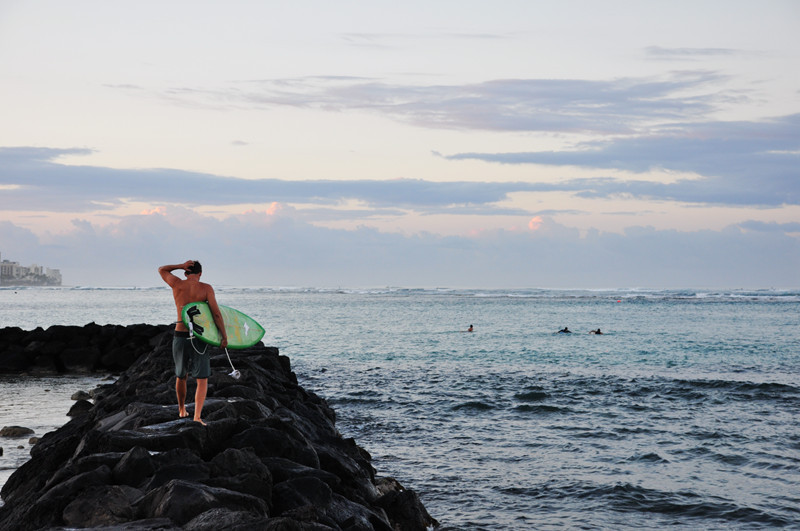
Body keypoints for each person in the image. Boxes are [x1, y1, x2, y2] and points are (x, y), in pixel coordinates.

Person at [158, 260, 227, 425]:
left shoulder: (177, 284)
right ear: (201, 274)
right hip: (199, 337)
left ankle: (181, 409)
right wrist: (223, 336)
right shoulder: (206, 288)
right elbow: (216, 314)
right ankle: (197, 416)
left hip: (180, 335)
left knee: (181, 375)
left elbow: (161, 269)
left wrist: (180, 265)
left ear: (185, 272)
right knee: (202, 379)